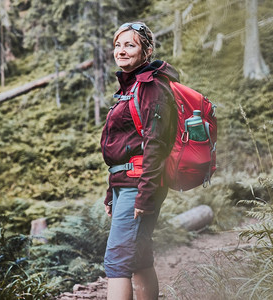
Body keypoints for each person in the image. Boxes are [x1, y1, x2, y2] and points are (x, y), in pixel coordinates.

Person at [100, 22, 180, 300]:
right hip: (129, 182)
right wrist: (113, 190)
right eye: (118, 45)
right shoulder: (131, 86)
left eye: (130, 45)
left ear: (146, 51)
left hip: (140, 184)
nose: (121, 51)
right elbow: (124, 147)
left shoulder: (151, 87)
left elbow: (155, 145)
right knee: (139, 259)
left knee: (117, 263)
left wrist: (144, 196)